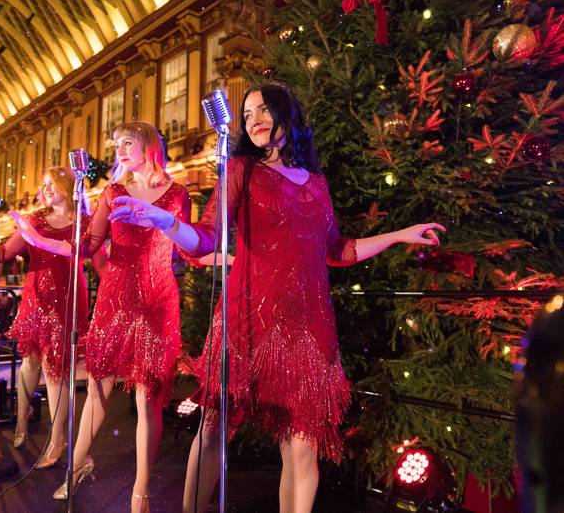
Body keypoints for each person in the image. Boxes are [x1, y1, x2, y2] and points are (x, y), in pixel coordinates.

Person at [108, 83, 446, 513]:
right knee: (212, 432)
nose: (254, 120)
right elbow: (205, 239)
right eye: (247, 114)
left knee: (301, 450)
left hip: (308, 328)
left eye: (263, 109)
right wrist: (164, 220)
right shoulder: (241, 171)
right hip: (247, 321)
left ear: (288, 113)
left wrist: (399, 235)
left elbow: (338, 250)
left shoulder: (317, 183)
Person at [12, 122, 191, 512]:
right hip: (114, 301)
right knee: (96, 390)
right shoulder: (112, 192)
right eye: (117, 144)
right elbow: (89, 246)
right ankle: (75, 466)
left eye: (128, 142)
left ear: (149, 146)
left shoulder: (178, 194)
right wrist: (40, 240)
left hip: (157, 301)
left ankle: (140, 491)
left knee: (148, 401)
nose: (121, 149)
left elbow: (188, 246)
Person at [0, 166, 105, 470]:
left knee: (57, 373)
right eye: (42, 184)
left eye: (51, 183)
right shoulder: (35, 221)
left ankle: (57, 440)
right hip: (35, 300)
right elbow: (4, 252)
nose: (44, 189)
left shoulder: (86, 223)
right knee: (29, 361)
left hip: (69, 302)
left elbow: (101, 264)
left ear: (69, 186)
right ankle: (22, 416)